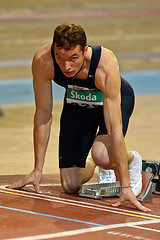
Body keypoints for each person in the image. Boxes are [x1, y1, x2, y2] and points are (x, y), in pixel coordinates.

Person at [8, 23, 150, 212]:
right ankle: (98, 161)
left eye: (73, 58)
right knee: (70, 185)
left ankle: (132, 160)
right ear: (53, 49)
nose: (66, 66)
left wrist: (125, 186)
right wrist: (37, 170)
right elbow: (43, 115)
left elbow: (115, 127)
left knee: (103, 156)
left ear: (85, 50)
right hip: (77, 100)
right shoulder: (44, 60)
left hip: (112, 100)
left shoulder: (104, 63)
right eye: (60, 57)